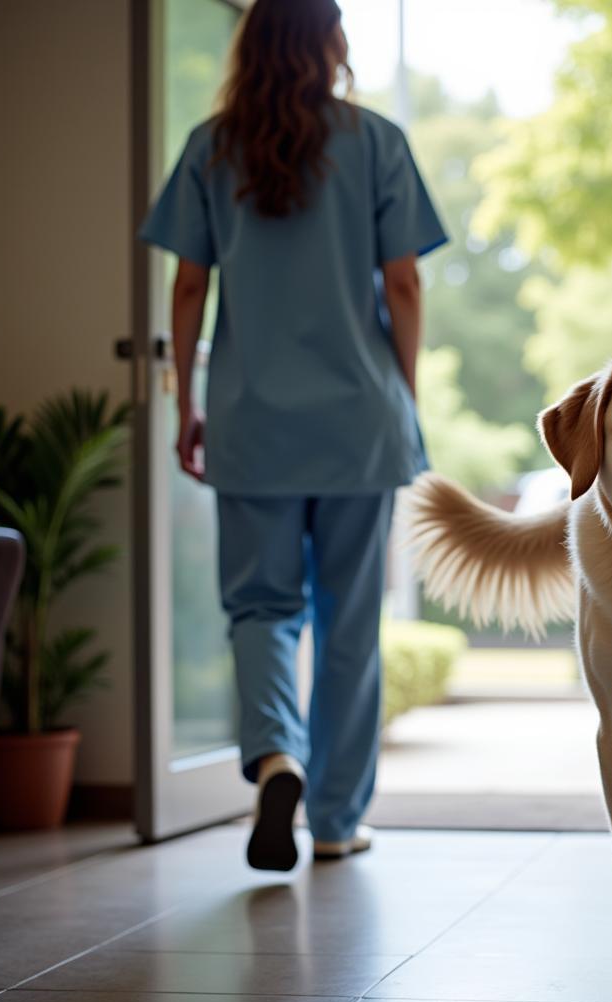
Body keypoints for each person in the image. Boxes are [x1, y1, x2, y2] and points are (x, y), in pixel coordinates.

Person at [139, 0, 447, 871]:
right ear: (332, 43)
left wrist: (186, 400)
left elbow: (189, 290)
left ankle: (276, 756)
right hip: (359, 420)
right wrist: (405, 392)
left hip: (251, 419)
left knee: (261, 608)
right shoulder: (377, 141)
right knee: (350, 621)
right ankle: (338, 820)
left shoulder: (211, 147)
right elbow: (406, 284)